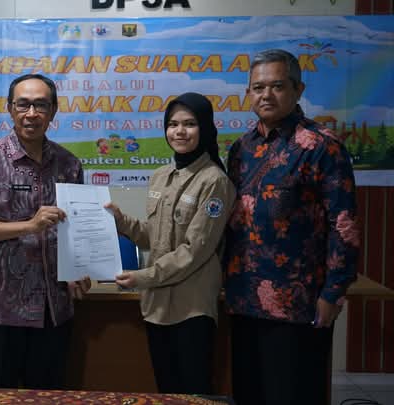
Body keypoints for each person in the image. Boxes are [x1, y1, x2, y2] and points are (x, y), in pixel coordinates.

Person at [223, 49, 360, 405]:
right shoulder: (241, 149)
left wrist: (333, 293)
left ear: (298, 90)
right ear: (248, 93)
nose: (266, 95)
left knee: (294, 395)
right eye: (258, 87)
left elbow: (344, 227)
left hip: (298, 304)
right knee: (249, 394)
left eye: (277, 86)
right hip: (243, 299)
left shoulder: (322, 146)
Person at [0, 73, 91, 390]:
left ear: (53, 111)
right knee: (1, 396)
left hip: (53, 307)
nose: (32, 113)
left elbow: (76, 228)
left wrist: (77, 269)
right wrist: (30, 225)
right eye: (23, 104)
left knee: (47, 395)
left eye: (41, 105)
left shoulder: (69, 164)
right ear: (10, 108)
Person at [105, 93, 235, 394]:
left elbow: (194, 251)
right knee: (167, 390)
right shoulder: (160, 176)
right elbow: (154, 236)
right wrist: (120, 221)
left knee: (194, 393)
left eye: (189, 124)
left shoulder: (214, 181)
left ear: (205, 128)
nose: (180, 131)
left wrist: (143, 277)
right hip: (157, 306)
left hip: (192, 308)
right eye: (173, 124)